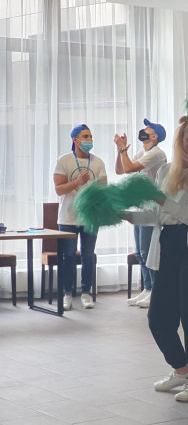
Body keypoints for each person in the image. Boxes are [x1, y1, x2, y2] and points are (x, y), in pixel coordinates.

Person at [126, 116, 188, 402]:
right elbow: (156, 215)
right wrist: (121, 214)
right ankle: (182, 370)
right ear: (180, 140)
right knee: (158, 319)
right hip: (168, 247)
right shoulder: (166, 171)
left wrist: (161, 199)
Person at [114, 118, 168, 309]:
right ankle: (147, 288)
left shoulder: (156, 153)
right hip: (140, 207)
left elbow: (129, 167)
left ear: (154, 136)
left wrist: (124, 150)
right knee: (139, 252)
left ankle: (156, 291)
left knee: (148, 251)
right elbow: (121, 170)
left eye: (148, 129)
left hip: (152, 208)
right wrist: (120, 150)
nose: (143, 131)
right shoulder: (143, 152)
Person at [53, 124, 107, 310]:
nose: (89, 140)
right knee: (68, 257)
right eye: (85, 136)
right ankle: (67, 293)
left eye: (91, 136)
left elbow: (103, 189)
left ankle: (86, 293)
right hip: (68, 218)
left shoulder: (98, 162)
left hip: (90, 217)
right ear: (75, 140)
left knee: (88, 256)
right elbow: (59, 189)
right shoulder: (64, 160)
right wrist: (77, 182)